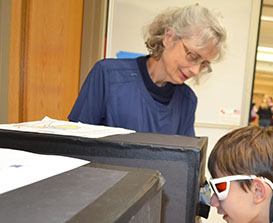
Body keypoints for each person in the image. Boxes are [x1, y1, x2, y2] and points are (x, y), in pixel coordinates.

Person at [68, 4, 227, 136]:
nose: (195, 70)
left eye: (204, 64)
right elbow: (73, 144)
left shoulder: (187, 100)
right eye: (192, 56)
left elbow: (185, 162)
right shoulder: (108, 76)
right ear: (169, 37)